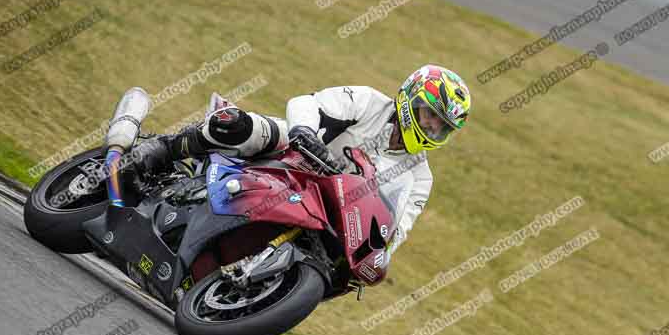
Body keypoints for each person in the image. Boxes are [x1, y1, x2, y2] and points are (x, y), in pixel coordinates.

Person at [134, 64, 471, 261]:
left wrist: (378, 255)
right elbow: (307, 103)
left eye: (442, 126)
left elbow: (397, 228)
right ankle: (160, 150)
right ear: (411, 99)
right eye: (430, 116)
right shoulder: (369, 102)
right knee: (239, 126)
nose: (431, 127)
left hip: (327, 213)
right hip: (297, 155)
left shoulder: (420, 178)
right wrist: (305, 132)